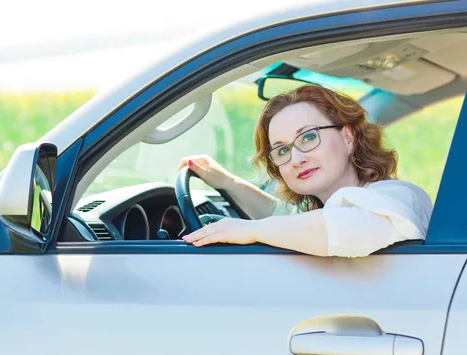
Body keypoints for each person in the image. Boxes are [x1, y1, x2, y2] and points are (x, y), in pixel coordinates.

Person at [179, 85, 432, 257]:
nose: (297, 158)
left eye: (308, 137)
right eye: (281, 151)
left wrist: (248, 230)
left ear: (348, 137)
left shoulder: (398, 197)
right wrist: (227, 182)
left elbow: (346, 227)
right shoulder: (321, 213)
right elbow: (286, 219)